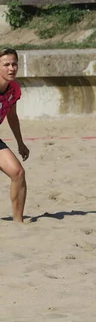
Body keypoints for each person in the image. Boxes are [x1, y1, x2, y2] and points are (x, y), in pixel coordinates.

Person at [0, 48, 29, 223]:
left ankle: (18, 222)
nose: (11, 68)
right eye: (6, 65)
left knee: (18, 172)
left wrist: (21, 143)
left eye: (14, 64)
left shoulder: (14, 90)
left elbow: (12, 117)